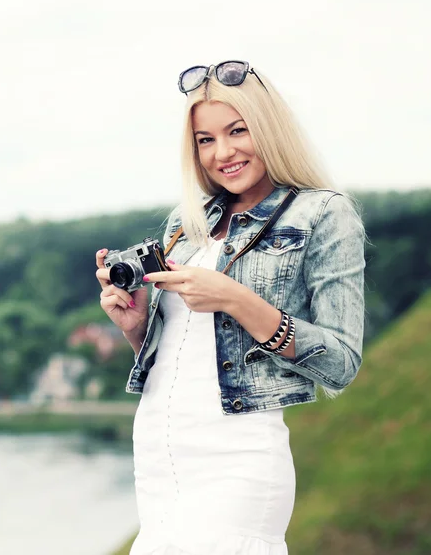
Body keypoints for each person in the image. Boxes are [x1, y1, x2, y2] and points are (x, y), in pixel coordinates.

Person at [95, 60, 366, 555]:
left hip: (237, 455)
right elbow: (187, 348)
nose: (223, 153)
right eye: (205, 139)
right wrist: (138, 328)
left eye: (237, 131)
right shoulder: (186, 221)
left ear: (268, 127)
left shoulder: (323, 212)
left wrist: (237, 299)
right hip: (159, 450)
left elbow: (341, 363)